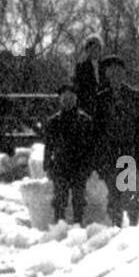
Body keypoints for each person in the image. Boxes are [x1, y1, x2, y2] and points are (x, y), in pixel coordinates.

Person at [96, 55, 139, 226]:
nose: (115, 76)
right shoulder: (101, 99)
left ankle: (133, 227)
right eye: (111, 73)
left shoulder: (135, 97)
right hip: (109, 154)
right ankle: (116, 227)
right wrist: (99, 157)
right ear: (107, 75)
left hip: (130, 152)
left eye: (118, 72)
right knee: (114, 194)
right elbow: (96, 130)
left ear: (124, 74)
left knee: (132, 193)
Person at [43, 84, 93, 224]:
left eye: (71, 98)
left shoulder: (85, 120)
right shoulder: (53, 121)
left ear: (76, 99)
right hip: (60, 166)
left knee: (79, 200)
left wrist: (89, 166)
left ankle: (78, 224)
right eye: (64, 99)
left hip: (79, 166)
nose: (68, 101)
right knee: (59, 200)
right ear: (60, 100)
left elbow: (91, 146)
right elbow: (48, 146)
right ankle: (59, 226)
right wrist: (47, 165)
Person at [73, 34, 107, 118]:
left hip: (104, 105)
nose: (95, 51)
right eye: (92, 48)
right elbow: (79, 87)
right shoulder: (81, 67)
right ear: (87, 50)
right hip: (87, 105)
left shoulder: (105, 65)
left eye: (97, 48)